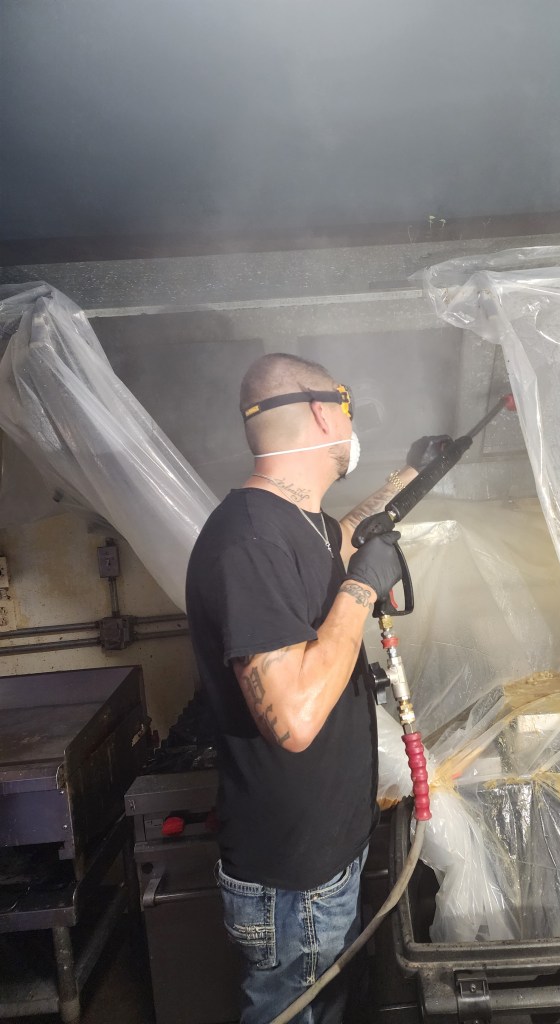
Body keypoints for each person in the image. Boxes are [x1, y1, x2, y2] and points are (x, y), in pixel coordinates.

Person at [185, 353, 444, 1024]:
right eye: (348, 410)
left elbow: (347, 535)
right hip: (292, 881)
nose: (352, 427)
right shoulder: (247, 543)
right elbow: (293, 718)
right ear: (326, 414)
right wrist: (360, 588)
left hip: (323, 858)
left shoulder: (294, 521)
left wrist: (413, 475)